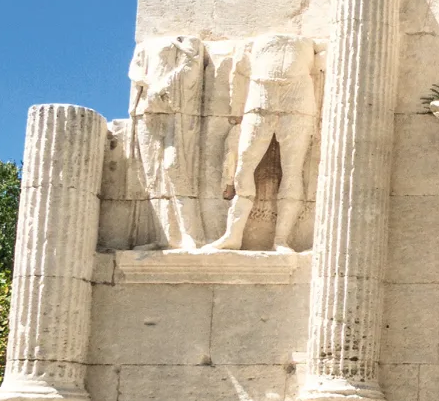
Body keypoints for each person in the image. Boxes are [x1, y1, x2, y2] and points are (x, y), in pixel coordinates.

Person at [203, 34, 316, 252]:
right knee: (244, 167)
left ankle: (281, 239)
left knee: (293, 170)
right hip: (260, 92)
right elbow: (239, 71)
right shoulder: (251, 46)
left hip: (298, 93)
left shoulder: (310, 46)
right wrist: (236, 113)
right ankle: (233, 234)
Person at [127, 36, 206, 250]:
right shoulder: (145, 45)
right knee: (152, 176)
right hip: (147, 108)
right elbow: (134, 71)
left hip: (175, 107)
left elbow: (191, 67)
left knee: (176, 168)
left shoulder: (187, 41)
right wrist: (149, 85)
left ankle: (192, 235)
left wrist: (163, 87)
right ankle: (164, 237)